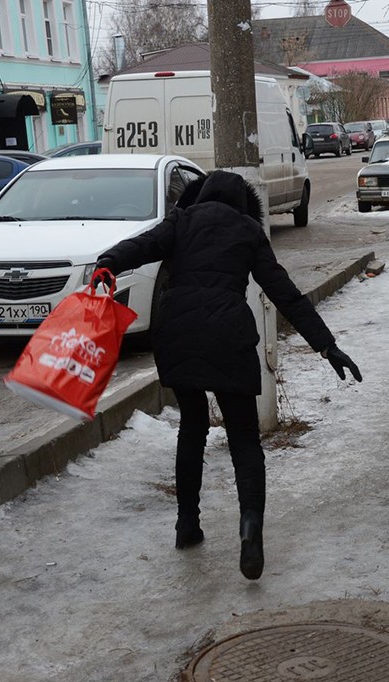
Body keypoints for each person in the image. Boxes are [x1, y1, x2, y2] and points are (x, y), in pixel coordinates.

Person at [93, 170, 362, 581]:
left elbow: (142, 246)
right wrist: (326, 346)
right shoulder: (248, 231)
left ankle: (187, 524)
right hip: (228, 336)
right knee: (243, 438)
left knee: (192, 426)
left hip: (178, 332)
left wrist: (108, 261)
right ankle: (250, 527)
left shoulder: (181, 222)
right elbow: (283, 291)